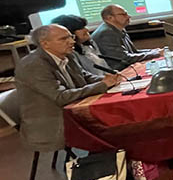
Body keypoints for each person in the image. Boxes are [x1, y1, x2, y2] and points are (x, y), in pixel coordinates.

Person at [14, 24, 120, 152]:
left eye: (71, 37)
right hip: (52, 124)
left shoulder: (69, 55)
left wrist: (108, 80)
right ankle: (108, 166)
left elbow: (84, 77)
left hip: (73, 111)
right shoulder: (33, 65)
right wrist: (102, 85)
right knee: (114, 126)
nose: (71, 41)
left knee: (119, 119)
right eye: (64, 39)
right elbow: (61, 97)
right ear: (45, 44)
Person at [91, 4, 162, 70]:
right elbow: (124, 59)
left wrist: (154, 51)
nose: (128, 16)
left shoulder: (119, 29)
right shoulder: (106, 33)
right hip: (119, 72)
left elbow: (134, 52)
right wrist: (155, 54)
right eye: (124, 14)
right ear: (110, 18)